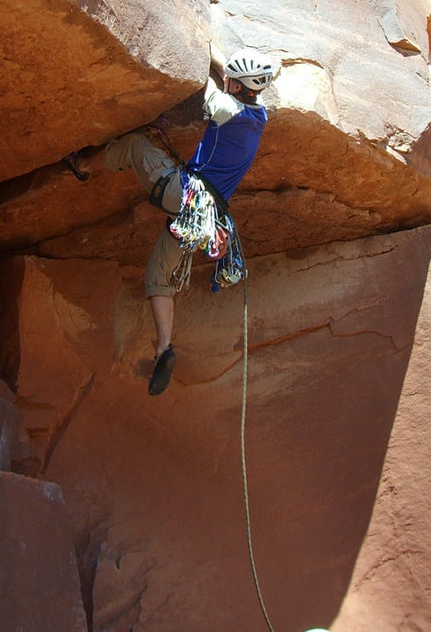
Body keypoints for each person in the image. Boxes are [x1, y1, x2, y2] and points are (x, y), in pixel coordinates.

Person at [65, 48, 274, 395]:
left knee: (134, 145)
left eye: (231, 81)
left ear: (235, 88)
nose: (227, 82)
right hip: (206, 217)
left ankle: (82, 166)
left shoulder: (225, 109)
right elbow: (226, 88)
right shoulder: (259, 116)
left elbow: (204, 87)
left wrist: (204, 48)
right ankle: (164, 347)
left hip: (184, 194)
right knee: (158, 276)